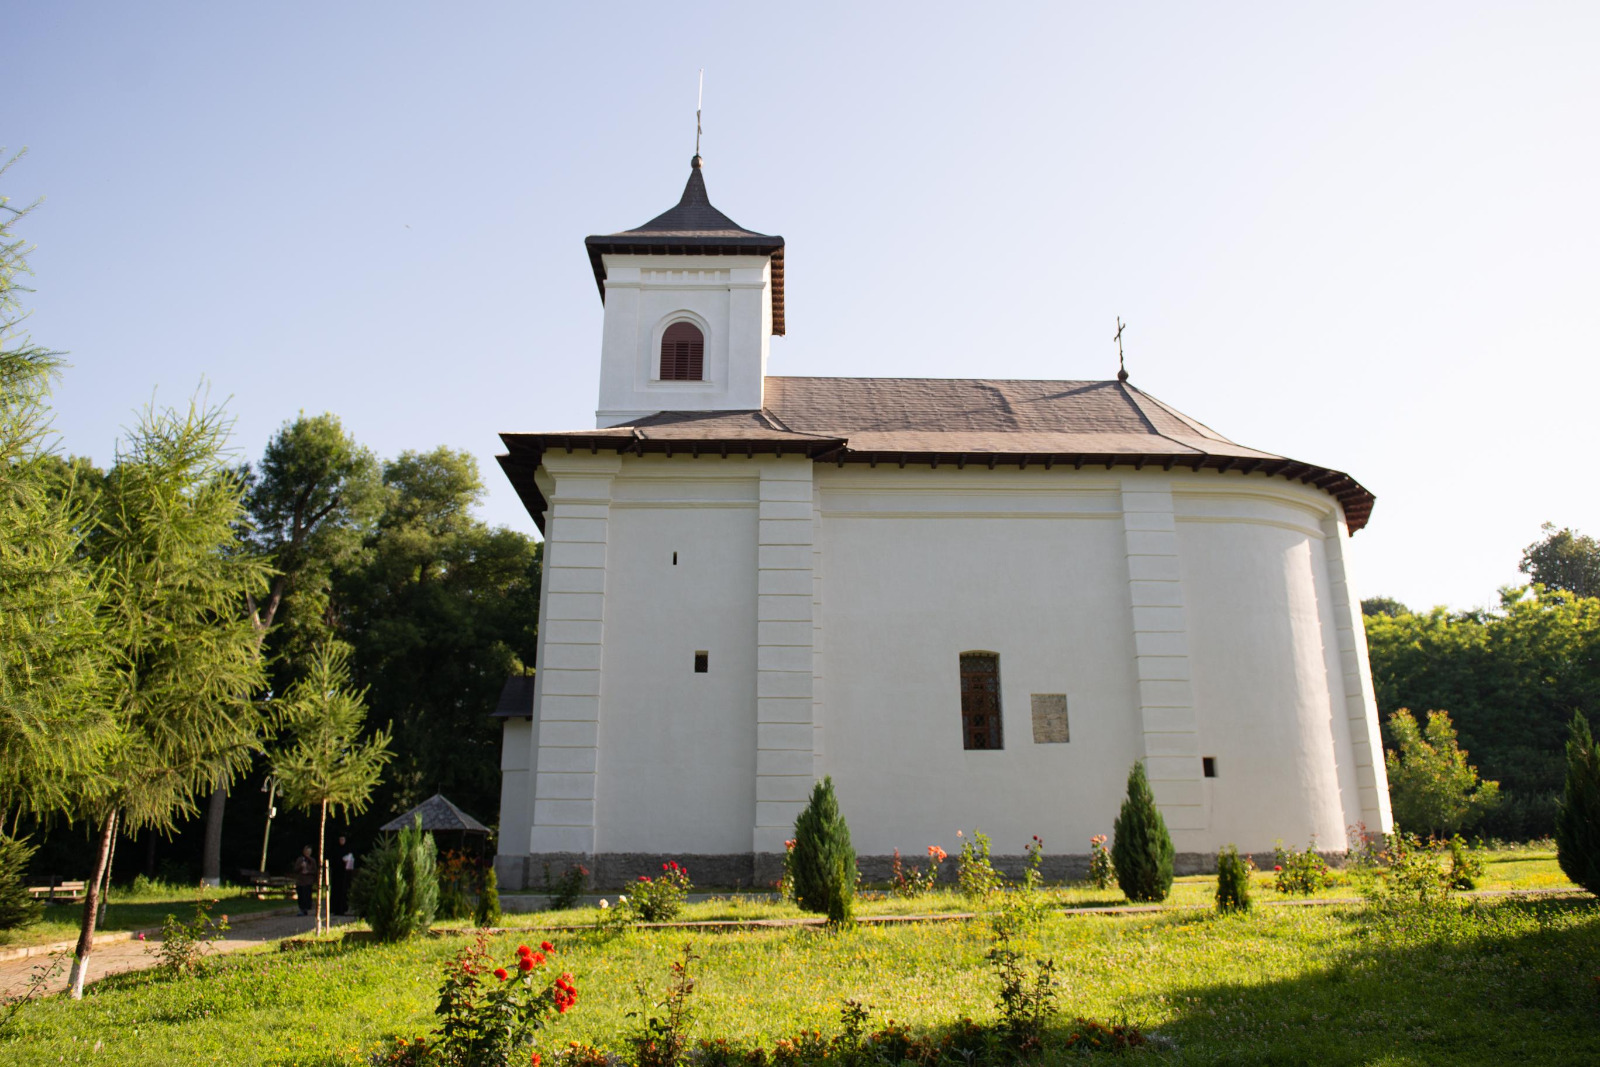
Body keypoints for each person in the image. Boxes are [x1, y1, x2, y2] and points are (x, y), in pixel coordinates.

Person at [331, 835, 354, 915]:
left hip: (345, 875)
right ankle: (335, 909)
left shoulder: (348, 849)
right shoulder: (335, 849)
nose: (342, 841)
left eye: (343, 839)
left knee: (344, 891)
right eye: (340, 839)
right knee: (336, 891)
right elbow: (333, 861)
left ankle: (343, 908)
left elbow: (351, 862)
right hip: (337, 874)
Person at [292, 845, 316, 917]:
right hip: (300, 881)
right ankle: (302, 909)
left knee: (307, 896)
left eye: (309, 852)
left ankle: (305, 909)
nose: (307, 853)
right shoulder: (300, 860)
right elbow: (295, 869)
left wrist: (308, 871)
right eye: (306, 851)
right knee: (301, 896)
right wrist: (301, 867)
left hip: (308, 881)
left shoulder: (312, 861)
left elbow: (315, 871)